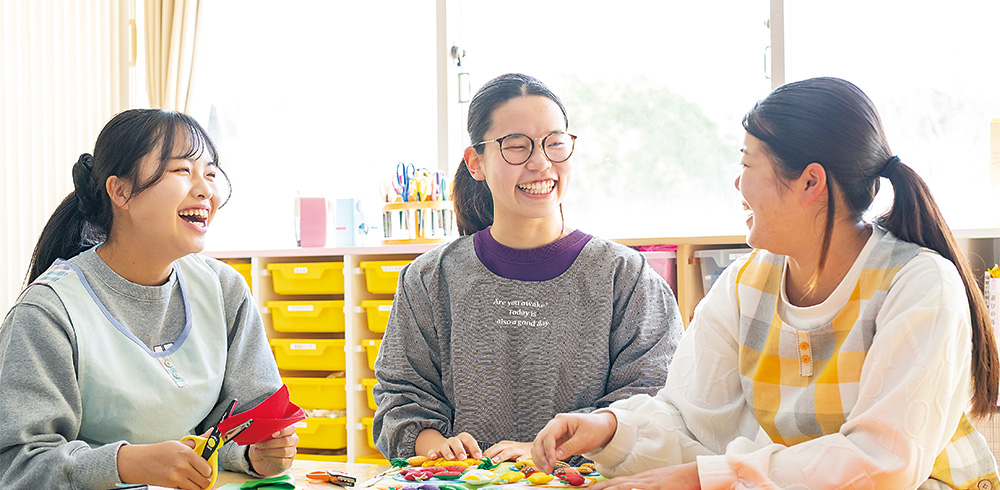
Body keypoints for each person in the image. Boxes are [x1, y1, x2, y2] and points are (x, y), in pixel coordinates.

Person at [531, 77, 1000, 489]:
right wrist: (611, 428)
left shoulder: (919, 285)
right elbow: (691, 421)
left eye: (747, 164)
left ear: (810, 182)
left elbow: (883, 465)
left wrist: (705, 478)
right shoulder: (744, 285)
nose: (737, 184)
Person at [372, 73, 683, 464]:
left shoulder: (625, 277)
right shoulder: (430, 279)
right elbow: (401, 397)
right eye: (516, 146)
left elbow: (652, 401)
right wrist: (436, 445)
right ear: (476, 162)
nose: (540, 163)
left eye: (555, 143)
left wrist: (546, 451)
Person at [0, 109, 298, 490]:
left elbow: (239, 423)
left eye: (209, 172)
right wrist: (123, 464)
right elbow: (17, 467)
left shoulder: (224, 289)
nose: (206, 189)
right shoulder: (47, 312)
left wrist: (253, 452)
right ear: (120, 191)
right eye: (181, 171)